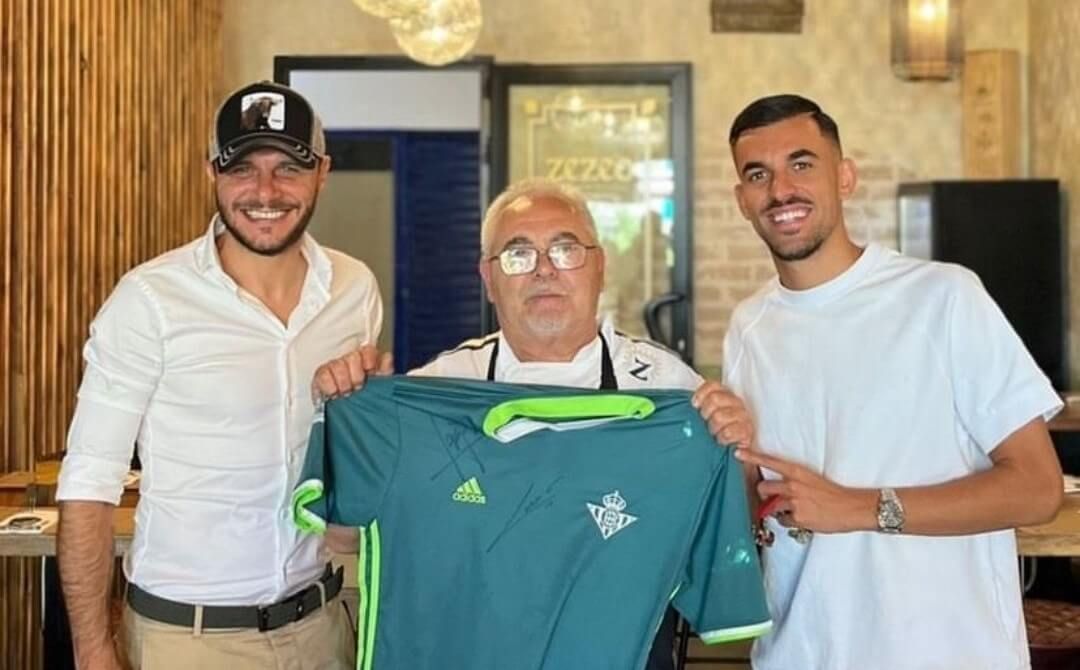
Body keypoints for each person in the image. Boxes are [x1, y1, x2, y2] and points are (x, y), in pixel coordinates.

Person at [316, 177, 758, 670]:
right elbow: (346, 538)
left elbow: (726, 528)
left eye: (565, 250)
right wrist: (355, 419)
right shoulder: (437, 391)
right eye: (518, 254)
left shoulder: (670, 389)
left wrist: (735, 451)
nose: (544, 269)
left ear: (599, 266)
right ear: (488, 277)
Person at [723, 94, 1064, 670]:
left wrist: (857, 507)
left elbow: (1037, 488)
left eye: (801, 164)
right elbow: (755, 510)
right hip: (801, 653)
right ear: (742, 200)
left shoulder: (945, 297)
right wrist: (726, 455)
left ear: (845, 177)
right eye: (759, 175)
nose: (781, 190)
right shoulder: (748, 327)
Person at [56, 80, 387, 670]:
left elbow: (350, 453)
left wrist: (368, 399)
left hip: (320, 627)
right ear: (212, 172)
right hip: (188, 639)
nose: (266, 191)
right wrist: (93, 650)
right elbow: (89, 481)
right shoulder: (150, 299)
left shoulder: (354, 289)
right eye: (242, 169)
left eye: (289, 168)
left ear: (323, 173)